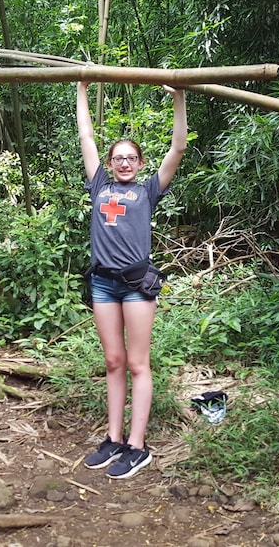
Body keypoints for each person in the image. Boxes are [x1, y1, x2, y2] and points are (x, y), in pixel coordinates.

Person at [76, 81, 186, 479]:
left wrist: (178, 97)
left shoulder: (149, 190)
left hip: (137, 285)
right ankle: (114, 438)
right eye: (118, 158)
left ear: (139, 164)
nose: (124, 163)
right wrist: (82, 87)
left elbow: (177, 149)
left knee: (138, 363)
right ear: (110, 163)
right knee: (113, 361)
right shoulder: (99, 185)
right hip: (103, 284)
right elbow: (85, 134)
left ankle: (138, 447)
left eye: (131, 158)